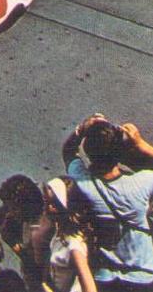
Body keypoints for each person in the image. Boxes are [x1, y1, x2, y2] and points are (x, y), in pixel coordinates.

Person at [64, 115, 153, 292]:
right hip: (144, 278)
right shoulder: (144, 182)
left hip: (105, 280)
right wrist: (140, 144)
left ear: (88, 152)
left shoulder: (84, 183)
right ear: (119, 153)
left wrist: (82, 129)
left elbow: (68, 152)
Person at [43, 177, 97, 292]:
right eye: (46, 201)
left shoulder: (74, 245)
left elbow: (90, 288)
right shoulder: (59, 232)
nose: (47, 208)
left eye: (53, 203)